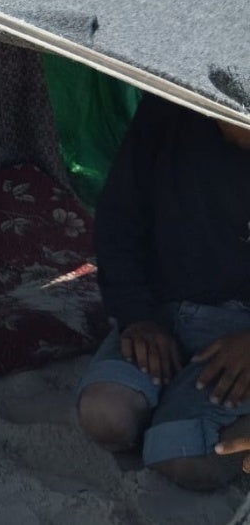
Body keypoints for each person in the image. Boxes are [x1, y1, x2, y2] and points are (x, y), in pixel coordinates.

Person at [76, 96, 250, 490]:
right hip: (167, 312)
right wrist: (138, 316)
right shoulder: (174, 100)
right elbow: (120, 217)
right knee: (106, 417)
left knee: (183, 460)